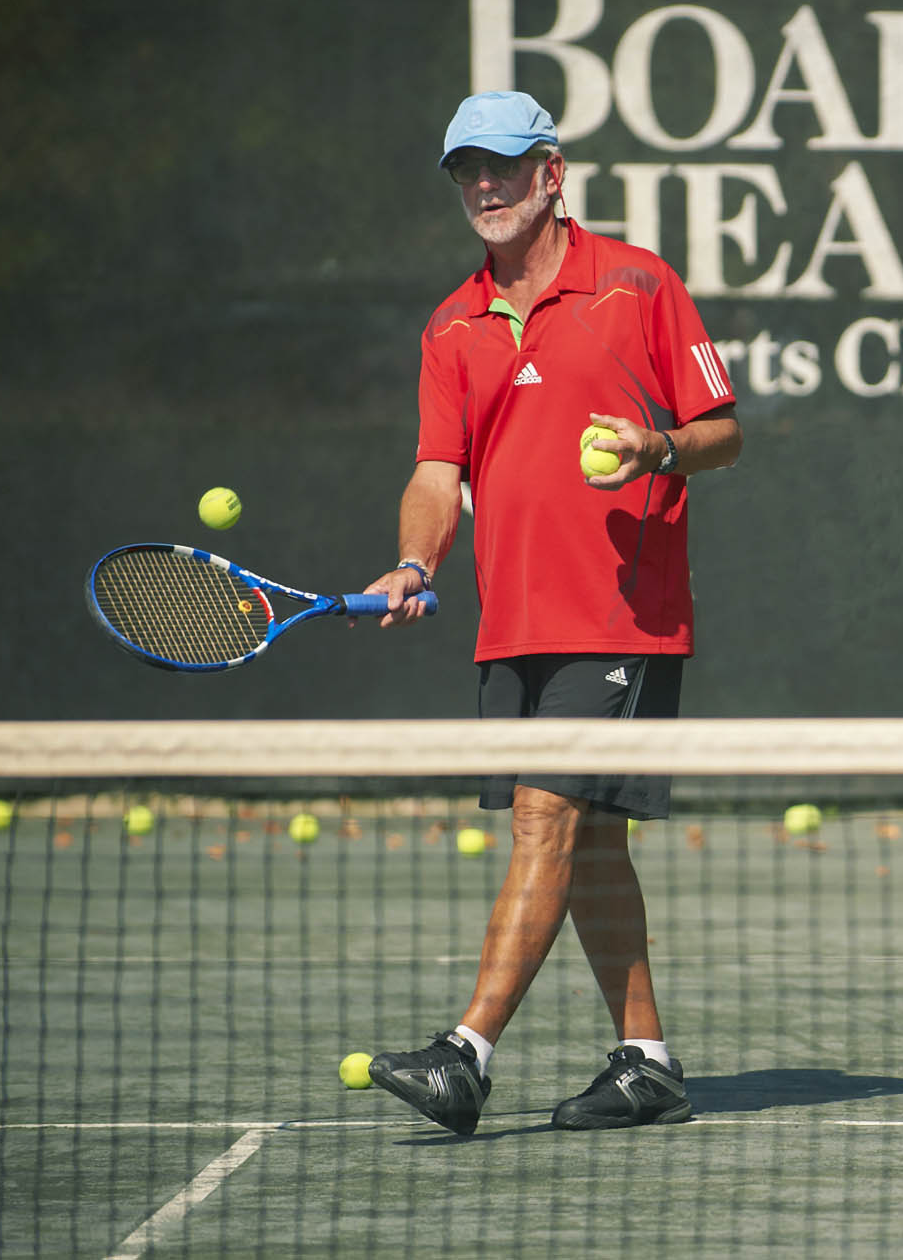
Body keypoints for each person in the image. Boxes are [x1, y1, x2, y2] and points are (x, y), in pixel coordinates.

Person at [361, 90, 742, 1136]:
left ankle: (465, 1052)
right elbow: (439, 472)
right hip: (512, 622)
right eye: (465, 171)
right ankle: (648, 1060)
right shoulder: (451, 325)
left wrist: (654, 443)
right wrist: (411, 557)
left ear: (551, 172)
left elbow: (722, 429)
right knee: (591, 841)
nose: (484, 187)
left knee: (548, 819)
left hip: (620, 616)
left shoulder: (636, 283)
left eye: (502, 165)